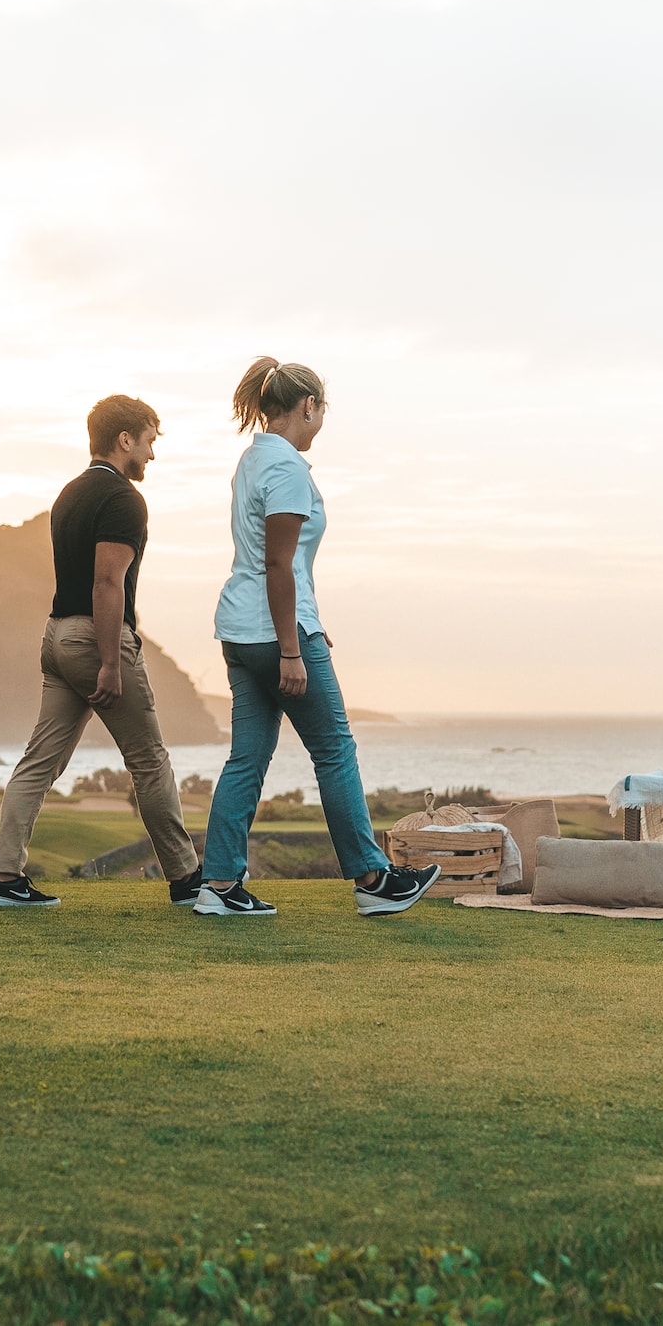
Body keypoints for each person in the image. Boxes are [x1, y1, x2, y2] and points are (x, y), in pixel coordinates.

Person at [193, 358, 439, 918]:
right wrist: (290, 649)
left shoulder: (254, 459)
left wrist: (312, 628)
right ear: (308, 406)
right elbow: (279, 566)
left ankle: (220, 885)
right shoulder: (287, 469)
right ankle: (373, 879)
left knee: (247, 758)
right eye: (322, 407)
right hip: (275, 633)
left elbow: (283, 565)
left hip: (242, 629)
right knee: (334, 749)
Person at [0, 395, 204, 909]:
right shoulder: (124, 499)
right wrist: (109, 661)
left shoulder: (68, 495)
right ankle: (187, 879)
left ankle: (3, 878)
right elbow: (107, 583)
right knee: (149, 761)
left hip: (55, 637)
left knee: (38, 762)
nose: (151, 455)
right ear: (125, 439)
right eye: (149, 441)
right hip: (94, 638)